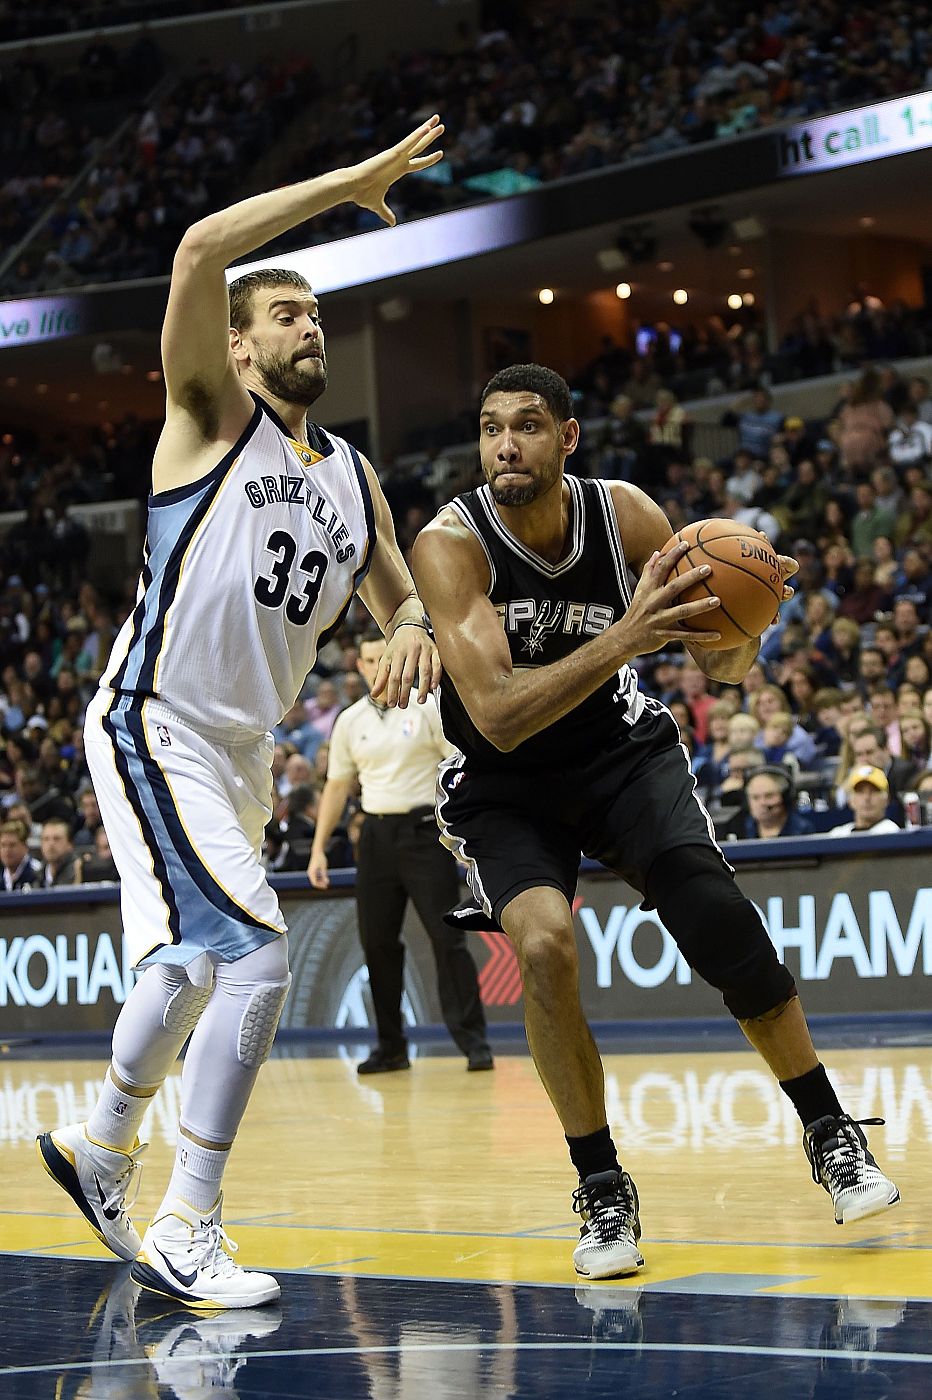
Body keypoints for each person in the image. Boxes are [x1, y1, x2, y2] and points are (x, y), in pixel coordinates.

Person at [36, 115, 446, 1311]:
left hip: (241, 750)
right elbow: (201, 244)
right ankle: (186, 1219)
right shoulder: (211, 415)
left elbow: (389, 581)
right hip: (157, 717)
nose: (308, 324)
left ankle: (104, 1146)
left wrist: (410, 617)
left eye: (316, 313)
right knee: (256, 959)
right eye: (286, 313)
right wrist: (351, 182)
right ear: (238, 347)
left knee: (184, 967)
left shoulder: (351, 474)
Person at [411, 363, 899, 1282]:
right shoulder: (451, 546)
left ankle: (830, 1131)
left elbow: (721, 670)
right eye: (488, 428)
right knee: (546, 948)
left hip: (619, 755)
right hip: (503, 781)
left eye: (524, 425)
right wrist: (629, 636)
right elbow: (502, 715)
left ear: (568, 437)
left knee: (710, 907)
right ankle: (601, 1186)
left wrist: (746, 620)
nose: (504, 444)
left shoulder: (627, 516)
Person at [309, 632, 493, 1073]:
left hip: (425, 831)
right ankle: (391, 1047)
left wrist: (467, 830)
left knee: (447, 938)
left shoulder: (426, 706)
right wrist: (318, 850)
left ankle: (474, 1043)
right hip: (374, 835)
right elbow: (336, 786)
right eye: (369, 659)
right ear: (359, 666)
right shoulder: (350, 721)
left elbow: (458, 766)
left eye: (383, 657)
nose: (377, 666)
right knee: (377, 944)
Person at [828, 767, 900, 836]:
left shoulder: (891, 832)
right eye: (860, 792)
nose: (867, 798)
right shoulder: (838, 834)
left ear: (886, 800)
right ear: (850, 800)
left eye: (873, 791)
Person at [0, 818, 41, 891]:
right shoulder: (2, 875)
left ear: (25, 846)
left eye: (12, 845)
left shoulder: (37, 872)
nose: (7, 850)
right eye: (3, 845)